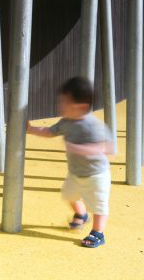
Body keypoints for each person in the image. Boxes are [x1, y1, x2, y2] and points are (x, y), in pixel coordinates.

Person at [27, 76, 115, 248]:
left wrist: (83, 150)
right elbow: (50, 131)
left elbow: (108, 148)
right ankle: (81, 214)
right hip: (75, 173)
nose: (60, 106)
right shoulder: (66, 122)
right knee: (68, 195)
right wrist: (31, 130)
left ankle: (98, 233)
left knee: (99, 205)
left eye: (65, 103)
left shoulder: (94, 126)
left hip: (97, 175)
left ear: (81, 106)